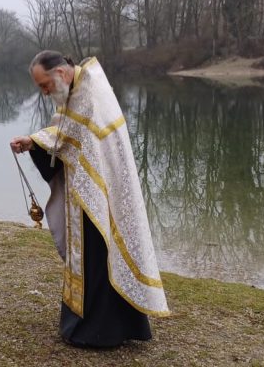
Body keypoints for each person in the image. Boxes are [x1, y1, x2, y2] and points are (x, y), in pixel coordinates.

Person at [10, 50, 170, 348]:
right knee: (90, 257)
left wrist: (37, 142)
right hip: (84, 189)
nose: (45, 93)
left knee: (100, 256)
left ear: (60, 73)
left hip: (101, 192)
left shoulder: (91, 91)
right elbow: (65, 133)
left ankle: (101, 330)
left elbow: (78, 141)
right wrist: (33, 141)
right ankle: (86, 326)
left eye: (45, 85)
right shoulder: (73, 90)